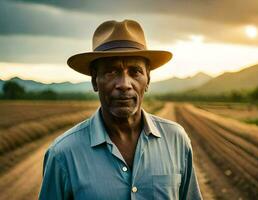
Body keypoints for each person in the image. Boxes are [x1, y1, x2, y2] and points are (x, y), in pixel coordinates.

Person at [39, 19, 202, 200]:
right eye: (111, 71)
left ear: (147, 79)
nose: (124, 84)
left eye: (135, 72)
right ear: (95, 80)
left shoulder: (176, 139)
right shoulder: (63, 154)